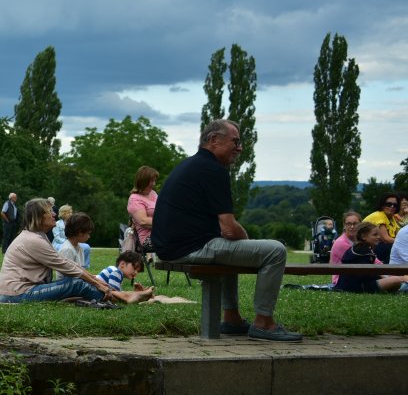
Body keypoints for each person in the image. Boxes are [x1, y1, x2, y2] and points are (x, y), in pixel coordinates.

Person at [152, 119, 299, 342]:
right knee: (276, 250)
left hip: (170, 247)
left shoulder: (190, 165)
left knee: (230, 247)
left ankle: (231, 318)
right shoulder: (214, 170)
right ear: (213, 140)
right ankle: (264, 323)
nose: (240, 148)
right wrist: (245, 239)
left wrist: (238, 241)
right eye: (235, 141)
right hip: (190, 248)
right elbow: (229, 228)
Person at [0, 198, 152, 304]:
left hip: (17, 292)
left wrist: (96, 280)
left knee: (79, 282)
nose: (54, 214)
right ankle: (121, 297)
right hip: (17, 295)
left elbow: (66, 262)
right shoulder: (34, 240)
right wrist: (97, 284)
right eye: (50, 212)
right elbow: (66, 266)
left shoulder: (38, 236)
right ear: (39, 217)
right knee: (75, 284)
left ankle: (121, 295)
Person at [334, 222, 408, 293]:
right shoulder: (362, 250)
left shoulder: (362, 248)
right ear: (363, 237)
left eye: (378, 235)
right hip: (357, 287)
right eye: (375, 235)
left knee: (394, 280)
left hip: (353, 285)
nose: (378, 237)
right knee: (396, 280)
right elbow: (366, 274)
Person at [329, 211, 379, 286]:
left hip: (357, 275)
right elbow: (374, 262)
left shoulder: (358, 241)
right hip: (342, 281)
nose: (352, 227)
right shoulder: (341, 243)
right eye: (348, 224)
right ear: (344, 226)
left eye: (355, 223)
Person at [127, 166, 159, 251]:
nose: (154, 184)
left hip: (161, 234)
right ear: (143, 181)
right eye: (152, 181)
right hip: (148, 239)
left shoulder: (153, 194)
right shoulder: (134, 199)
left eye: (155, 181)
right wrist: (167, 223)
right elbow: (143, 221)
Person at [363, 193, 401, 263]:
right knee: (391, 248)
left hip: (376, 247)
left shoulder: (392, 218)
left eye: (395, 205)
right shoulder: (379, 215)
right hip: (365, 249)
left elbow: (399, 235)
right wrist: (403, 242)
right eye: (389, 204)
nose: (392, 206)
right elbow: (386, 239)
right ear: (382, 205)